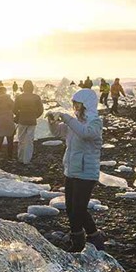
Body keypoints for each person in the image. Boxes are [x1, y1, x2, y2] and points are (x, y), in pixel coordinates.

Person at [49, 88, 105, 252]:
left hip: (86, 172)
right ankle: (94, 236)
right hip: (72, 170)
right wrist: (52, 122)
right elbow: (58, 132)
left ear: (86, 105)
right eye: (73, 104)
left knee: (78, 209)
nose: (74, 107)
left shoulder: (95, 122)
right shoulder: (74, 122)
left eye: (77, 104)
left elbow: (85, 134)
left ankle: (78, 242)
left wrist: (66, 118)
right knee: (72, 207)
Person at [12, 80, 44, 164]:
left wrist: (19, 114)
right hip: (32, 121)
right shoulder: (36, 97)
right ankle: (27, 160)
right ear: (32, 88)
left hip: (22, 120)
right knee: (29, 141)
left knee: (21, 139)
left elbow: (14, 109)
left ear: (23, 87)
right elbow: (41, 110)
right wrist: (35, 115)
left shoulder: (19, 97)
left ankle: (20, 158)